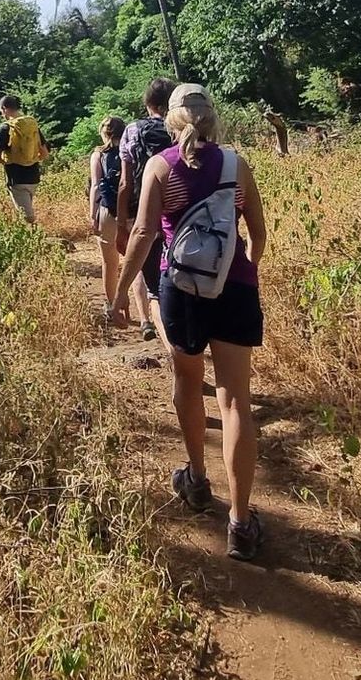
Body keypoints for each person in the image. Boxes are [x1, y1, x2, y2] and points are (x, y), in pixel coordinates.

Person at [113, 82, 268, 562]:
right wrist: (242, 273)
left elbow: (141, 234)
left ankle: (197, 482)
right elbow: (257, 233)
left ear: (171, 122)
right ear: (212, 118)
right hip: (234, 289)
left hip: (181, 290)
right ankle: (241, 525)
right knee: (235, 400)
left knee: (186, 378)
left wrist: (119, 293)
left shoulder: (161, 167)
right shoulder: (236, 164)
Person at [116, 77, 176, 342]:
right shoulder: (184, 128)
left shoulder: (132, 130)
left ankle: (176, 354)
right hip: (180, 214)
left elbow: (125, 182)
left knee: (155, 288)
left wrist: (121, 224)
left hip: (146, 212)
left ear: (147, 102)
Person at [87, 116, 127, 321]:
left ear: (104, 132)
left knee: (109, 263)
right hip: (131, 212)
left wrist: (92, 215)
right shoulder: (132, 151)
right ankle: (143, 310)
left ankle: (113, 306)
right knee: (134, 262)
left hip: (107, 210)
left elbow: (95, 186)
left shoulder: (98, 154)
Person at [0, 93, 47, 223]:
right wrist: (30, 160)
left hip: (16, 179)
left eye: (1, 111)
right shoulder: (32, 125)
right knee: (24, 213)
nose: (2, 115)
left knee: (26, 218)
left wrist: (10, 160)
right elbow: (44, 153)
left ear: (4, 108)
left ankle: (35, 240)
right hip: (33, 178)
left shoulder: (5, 128)